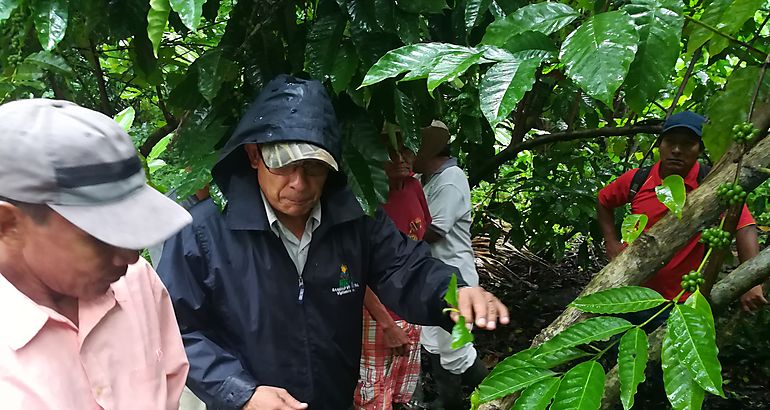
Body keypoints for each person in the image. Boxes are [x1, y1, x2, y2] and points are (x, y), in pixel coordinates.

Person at [157, 75, 508, 410]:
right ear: (253, 156)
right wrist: (241, 392)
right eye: (283, 165)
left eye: (314, 167)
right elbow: (176, 328)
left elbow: (406, 268)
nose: (298, 183)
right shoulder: (203, 233)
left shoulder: (355, 221)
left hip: (332, 397)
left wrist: (454, 293)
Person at [0, 99, 192, 409]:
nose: (130, 257)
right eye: (102, 236)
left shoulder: (138, 282)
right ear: (7, 224)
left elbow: (172, 387)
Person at [597, 111, 767, 312]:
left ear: (699, 149)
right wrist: (611, 243)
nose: (677, 150)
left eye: (687, 144)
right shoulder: (639, 179)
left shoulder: (712, 185)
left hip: (679, 300)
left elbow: (744, 226)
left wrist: (752, 282)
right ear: (660, 145)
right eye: (670, 142)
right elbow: (603, 200)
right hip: (627, 290)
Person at [412, 121, 489, 410]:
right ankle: (449, 402)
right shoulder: (428, 179)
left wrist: (397, 230)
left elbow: (434, 230)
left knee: (456, 350)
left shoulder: (451, 178)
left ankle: (504, 393)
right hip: (434, 277)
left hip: (454, 278)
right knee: (435, 344)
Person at [354, 141, 430, 410]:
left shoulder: (414, 188)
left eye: (406, 150)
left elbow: (420, 241)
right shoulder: (366, 201)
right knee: (374, 394)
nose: (401, 158)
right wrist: (386, 324)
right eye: (390, 151)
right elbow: (355, 270)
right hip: (377, 315)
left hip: (410, 308)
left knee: (400, 391)